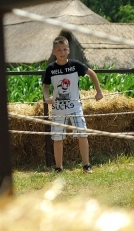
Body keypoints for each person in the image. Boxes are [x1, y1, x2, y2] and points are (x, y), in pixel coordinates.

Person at [42, 36, 104, 173]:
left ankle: (86, 165)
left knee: (82, 134)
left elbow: (92, 73)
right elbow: (45, 86)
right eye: (59, 50)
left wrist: (99, 91)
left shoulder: (75, 65)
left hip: (75, 107)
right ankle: (58, 167)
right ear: (53, 52)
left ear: (69, 50)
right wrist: (46, 97)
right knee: (58, 138)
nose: (62, 52)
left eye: (65, 49)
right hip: (58, 110)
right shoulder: (50, 68)